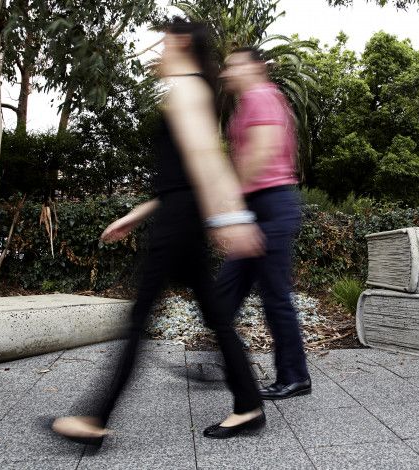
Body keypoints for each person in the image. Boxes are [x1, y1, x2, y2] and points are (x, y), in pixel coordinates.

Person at [51, 18, 266, 444]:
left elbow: (207, 160)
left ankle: (94, 419)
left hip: (179, 225)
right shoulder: (188, 90)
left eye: (162, 43)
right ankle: (248, 403)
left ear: (181, 43)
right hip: (177, 217)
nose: (156, 52)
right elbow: (183, 176)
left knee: (138, 318)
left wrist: (232, 218)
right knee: (216, 316)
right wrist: (138, 213)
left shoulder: (187, 90)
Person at [216, 47, 311, 400]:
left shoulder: (261, 97)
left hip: (269, 203)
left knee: (275, 296)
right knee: (226, 292)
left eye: (234, 65)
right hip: (258, 204)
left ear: (256, 67)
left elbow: (264, 150)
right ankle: (227, 363)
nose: (227, 72)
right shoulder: (250, 102)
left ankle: (294, 376)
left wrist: (232, 202)